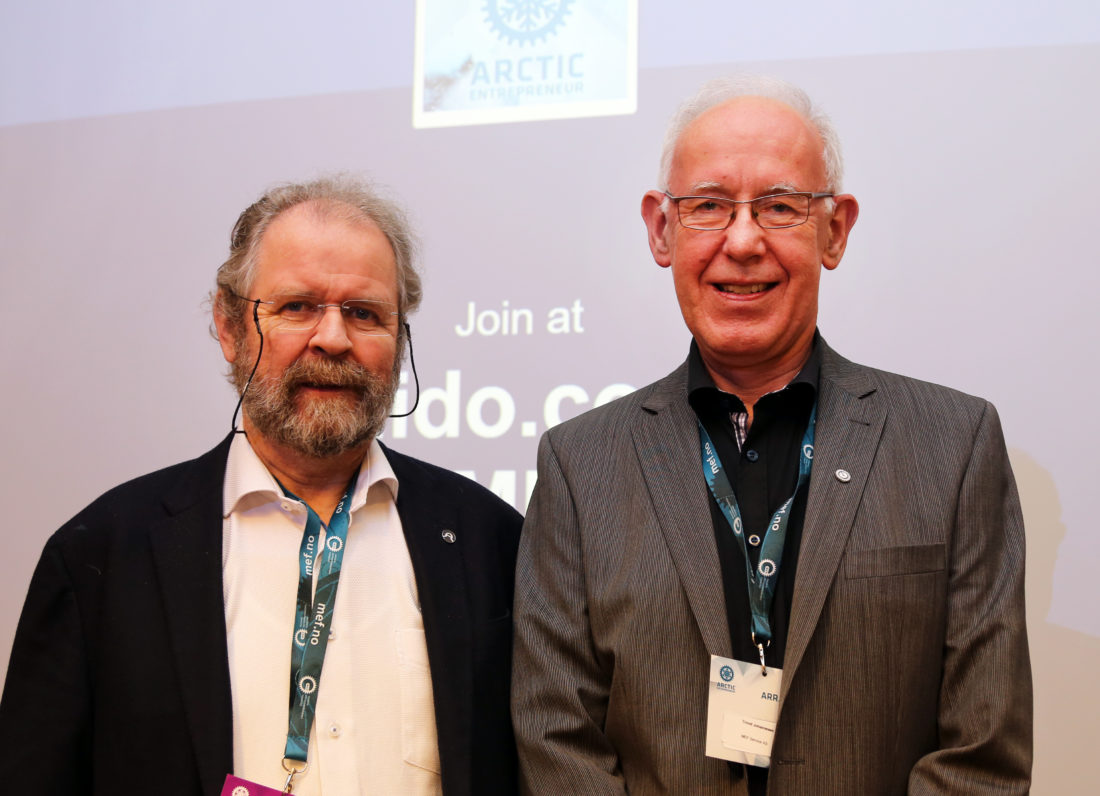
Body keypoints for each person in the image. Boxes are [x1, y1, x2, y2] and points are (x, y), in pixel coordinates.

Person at [511, 76, 1031, 794]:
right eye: (708, 207)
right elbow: (554, 735)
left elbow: (982, 752)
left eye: (781, 207)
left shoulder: (954, 445)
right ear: (661, 230)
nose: (744, 241)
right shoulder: (579, 465)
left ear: (835, 231)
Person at [0, 176, 522, 795]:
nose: (333, 339)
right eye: (297, 307)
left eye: (365, 314)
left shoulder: (491, 541)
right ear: (228, 327)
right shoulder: (102, 557)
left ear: (400, 339)